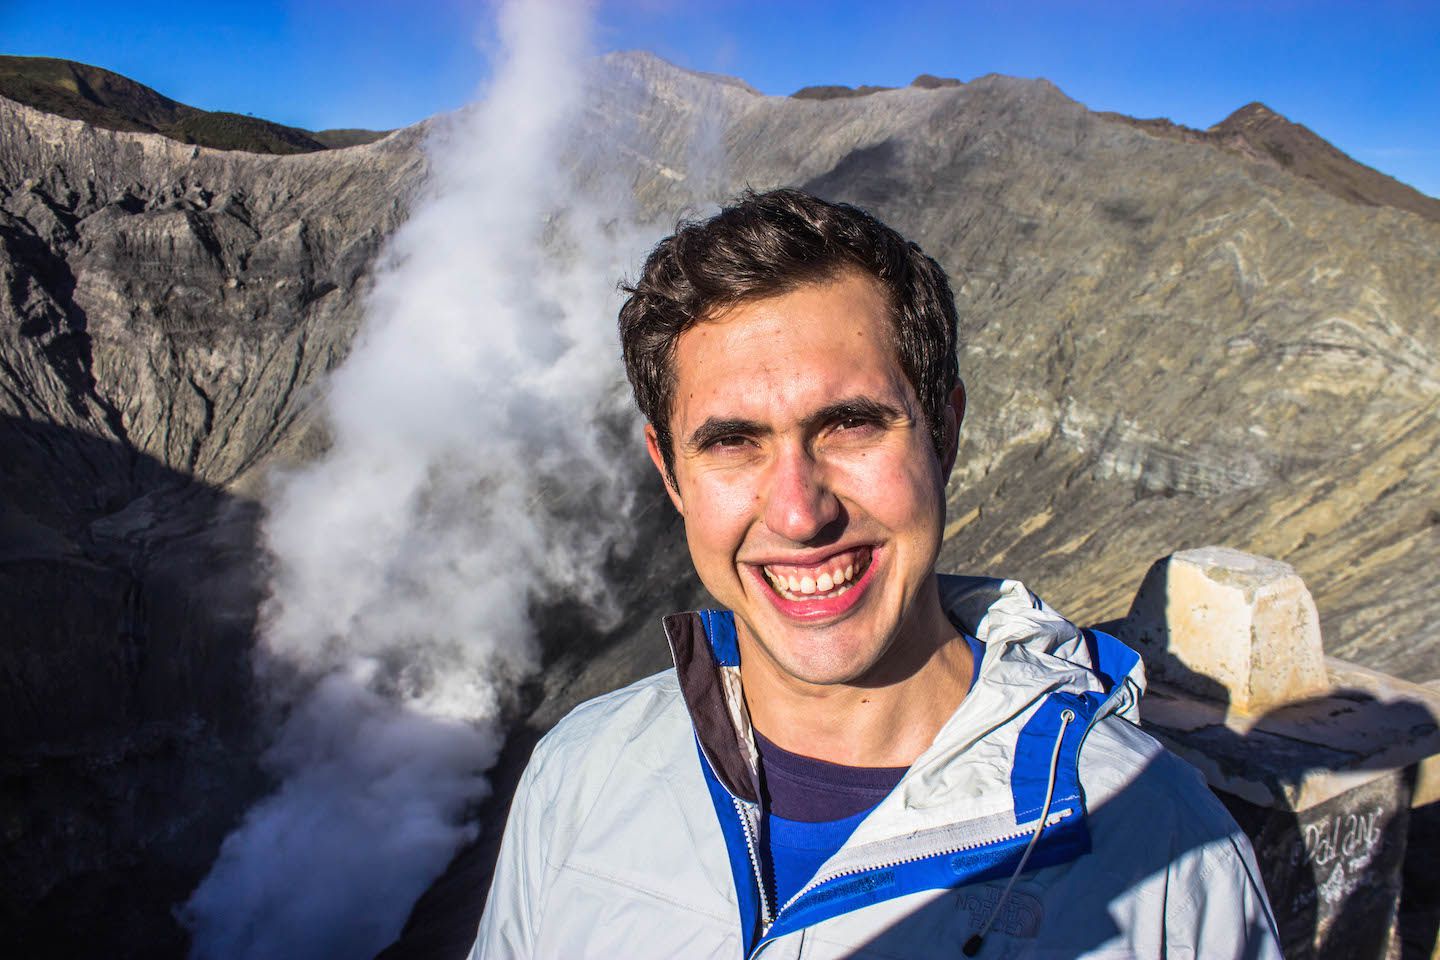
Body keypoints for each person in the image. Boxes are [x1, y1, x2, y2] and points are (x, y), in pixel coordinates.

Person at [470, 189, 1281, 958]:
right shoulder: (578, 776)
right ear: (670, 473)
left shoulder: (1165, 848)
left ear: (946, 432)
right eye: (730, 442)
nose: (798, 512)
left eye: (851, 423)